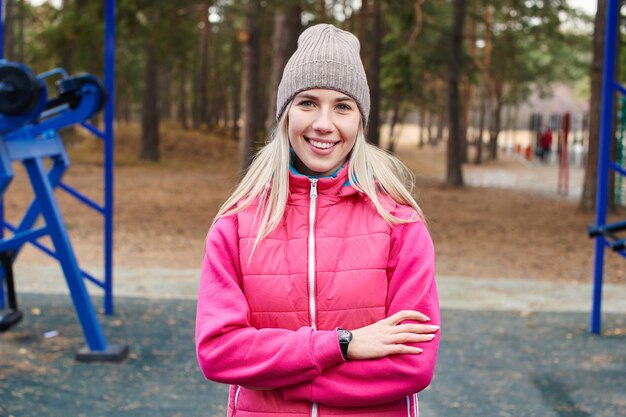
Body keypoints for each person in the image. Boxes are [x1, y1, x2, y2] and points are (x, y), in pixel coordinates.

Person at [195, 23, 440, 417]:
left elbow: (411, 365)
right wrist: (342, 344)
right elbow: (219, 353)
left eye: (342, 106)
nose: (323, 123)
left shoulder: (400, 223)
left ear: (359, 121)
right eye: (307, 102)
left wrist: (283, 381)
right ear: (285, 113)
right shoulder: (236, 224)